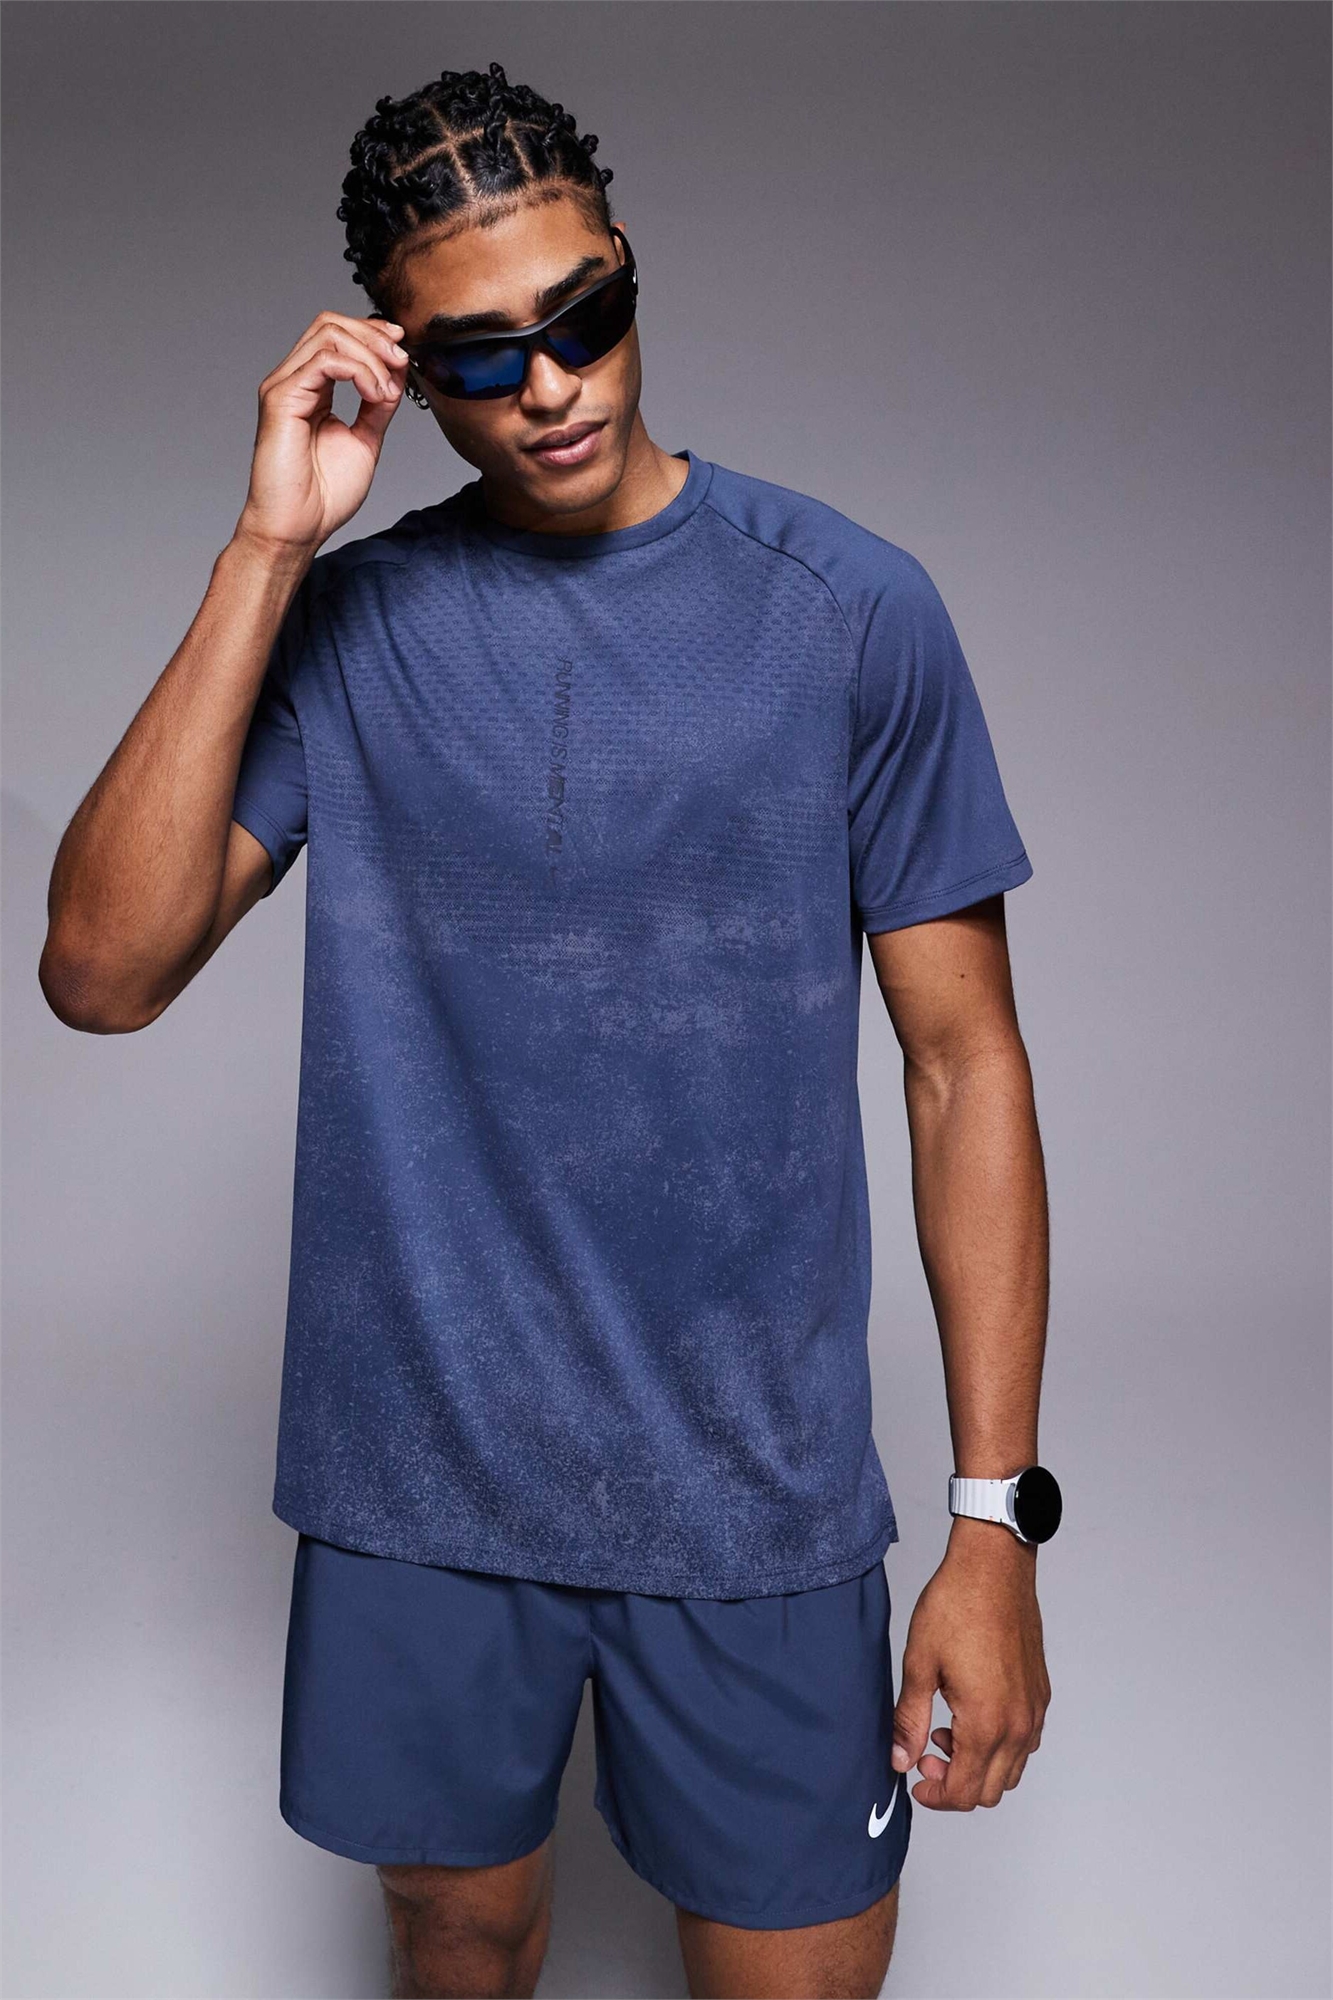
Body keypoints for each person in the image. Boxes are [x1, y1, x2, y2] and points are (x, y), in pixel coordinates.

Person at [39, 59, 1059, 2000]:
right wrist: (267, 549)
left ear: (628, 272)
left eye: (582, 315)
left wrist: (990, 1524)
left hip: (752, 1492)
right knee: (457, 1937)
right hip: (415, 1486)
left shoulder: (849, 612)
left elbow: (963, 1067)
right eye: (483, 355)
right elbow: (100, 971)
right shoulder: (354, 626)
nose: (554, 384)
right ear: (406, 372)